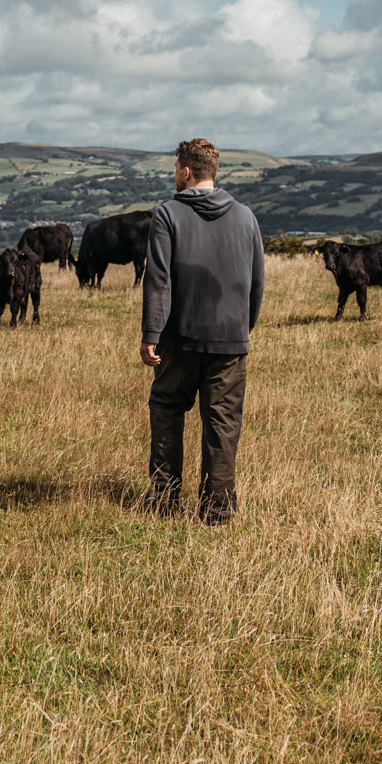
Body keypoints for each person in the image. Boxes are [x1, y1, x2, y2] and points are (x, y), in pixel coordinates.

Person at [139, 138, 266, 524]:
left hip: (178, 337)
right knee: (223, 420)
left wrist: (150, 334)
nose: (174, 175)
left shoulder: (167, 215)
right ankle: (218, 507)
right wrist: (243, 328)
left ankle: (164, 499)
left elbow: (158, 280)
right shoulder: (246, 217)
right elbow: (257, 281)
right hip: (230, 338)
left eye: (175, 168)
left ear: (187, 171)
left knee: (167, 409)